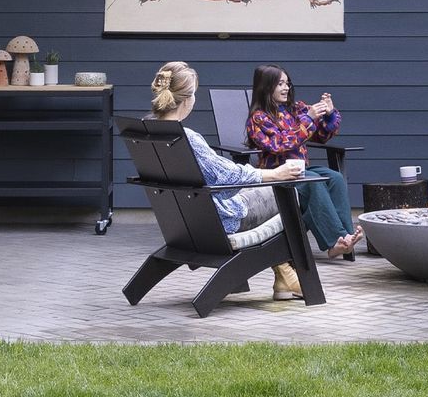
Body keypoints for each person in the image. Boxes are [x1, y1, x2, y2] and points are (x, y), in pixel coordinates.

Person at [148, 60, 308, 300]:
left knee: (271, 193)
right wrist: (275, 174)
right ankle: (291, 277)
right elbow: (228, 176)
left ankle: (282, 277)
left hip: (185, 224)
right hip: (220, 223)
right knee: (287, 193)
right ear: (189, 97)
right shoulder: (187, 137)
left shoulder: (150, 131)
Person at [246, 63, 360, 260]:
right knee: (313, 180)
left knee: (334, 178)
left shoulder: (295, 109)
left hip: (301, 171)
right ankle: (335, 242)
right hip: (277, 175)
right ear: (266, 86)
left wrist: (329, 113)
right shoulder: (259, 118)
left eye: (287, 83)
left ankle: (346, 237)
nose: (286, 87)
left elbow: (321, 135)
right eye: (279, 83)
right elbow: (279, 145)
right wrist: (308, 119)